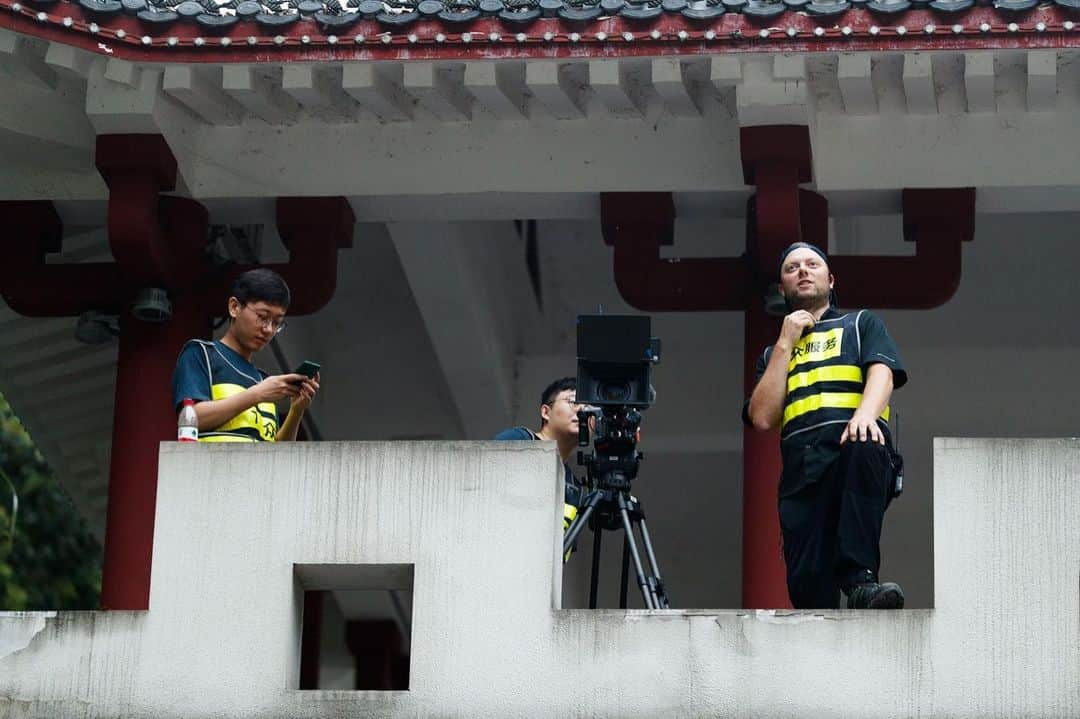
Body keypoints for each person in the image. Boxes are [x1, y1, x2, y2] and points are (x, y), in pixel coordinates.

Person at [744, 243, 907, 609]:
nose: (803, 270)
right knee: (808, 591)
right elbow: (763, 416)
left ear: (830, 280)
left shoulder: (860, 323)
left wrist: (865, 414)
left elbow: (883, 371)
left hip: (855, 449)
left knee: (865, 446)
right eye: (792, 268)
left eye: (812, 264)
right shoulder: (773, 355)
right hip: (802, 472)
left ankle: (861, 580)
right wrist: (786, 341)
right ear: (782, 288)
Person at [171, 268, 319, 442]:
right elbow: (191, 420)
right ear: (234, 307)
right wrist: (257, 394)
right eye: (262, 317)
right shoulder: (201, 354)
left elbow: (279, 454)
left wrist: (296, 410)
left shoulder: (263, 380)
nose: (268, 329)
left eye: (277, 323)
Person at [494, 377, 588, 549]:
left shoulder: (574, 487)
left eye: (588, 407)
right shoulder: (521, 440)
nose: (582, 410)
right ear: (546, 412)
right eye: (573, 402)